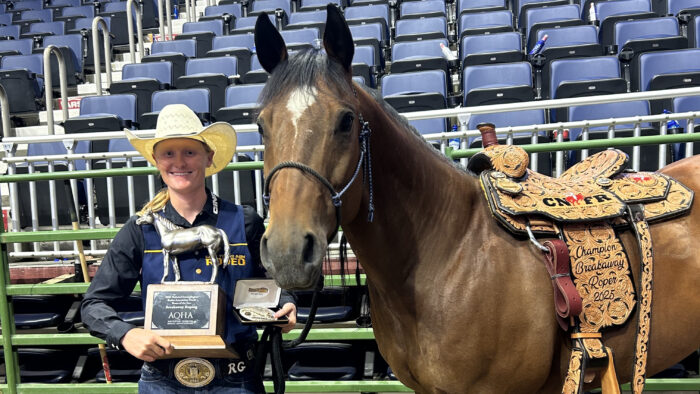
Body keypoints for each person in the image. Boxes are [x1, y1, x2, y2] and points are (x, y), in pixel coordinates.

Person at [81, 104, 297, 393]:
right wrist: (126, 334)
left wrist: (285, 302)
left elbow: (270, 284)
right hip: (162, 379)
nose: (179, 162)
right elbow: (93, 304)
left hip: (236, 378)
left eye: (190, 152)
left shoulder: (244, 221)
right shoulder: (140, 229)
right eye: (168, 153)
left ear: (209, 157)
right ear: (156, 160)